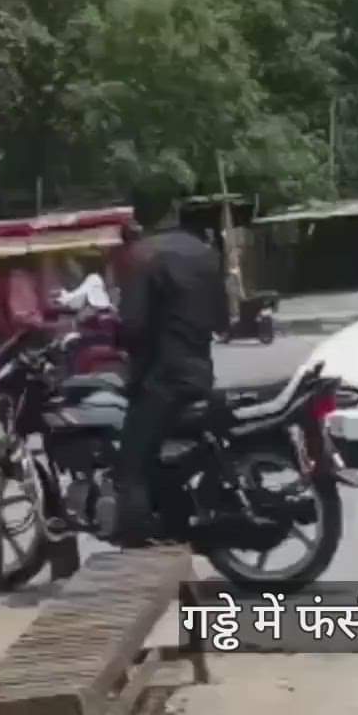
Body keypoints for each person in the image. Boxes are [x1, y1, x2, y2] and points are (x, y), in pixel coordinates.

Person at [97, 186, 230, 545]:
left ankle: (140, 542)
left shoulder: (144, 256)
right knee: (154, 450)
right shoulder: (203, 252)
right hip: (199, 370)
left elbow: (134, 325)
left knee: (131, 463)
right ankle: (173, 523)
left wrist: (115, 337)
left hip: (165, 377)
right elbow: (222, 318)